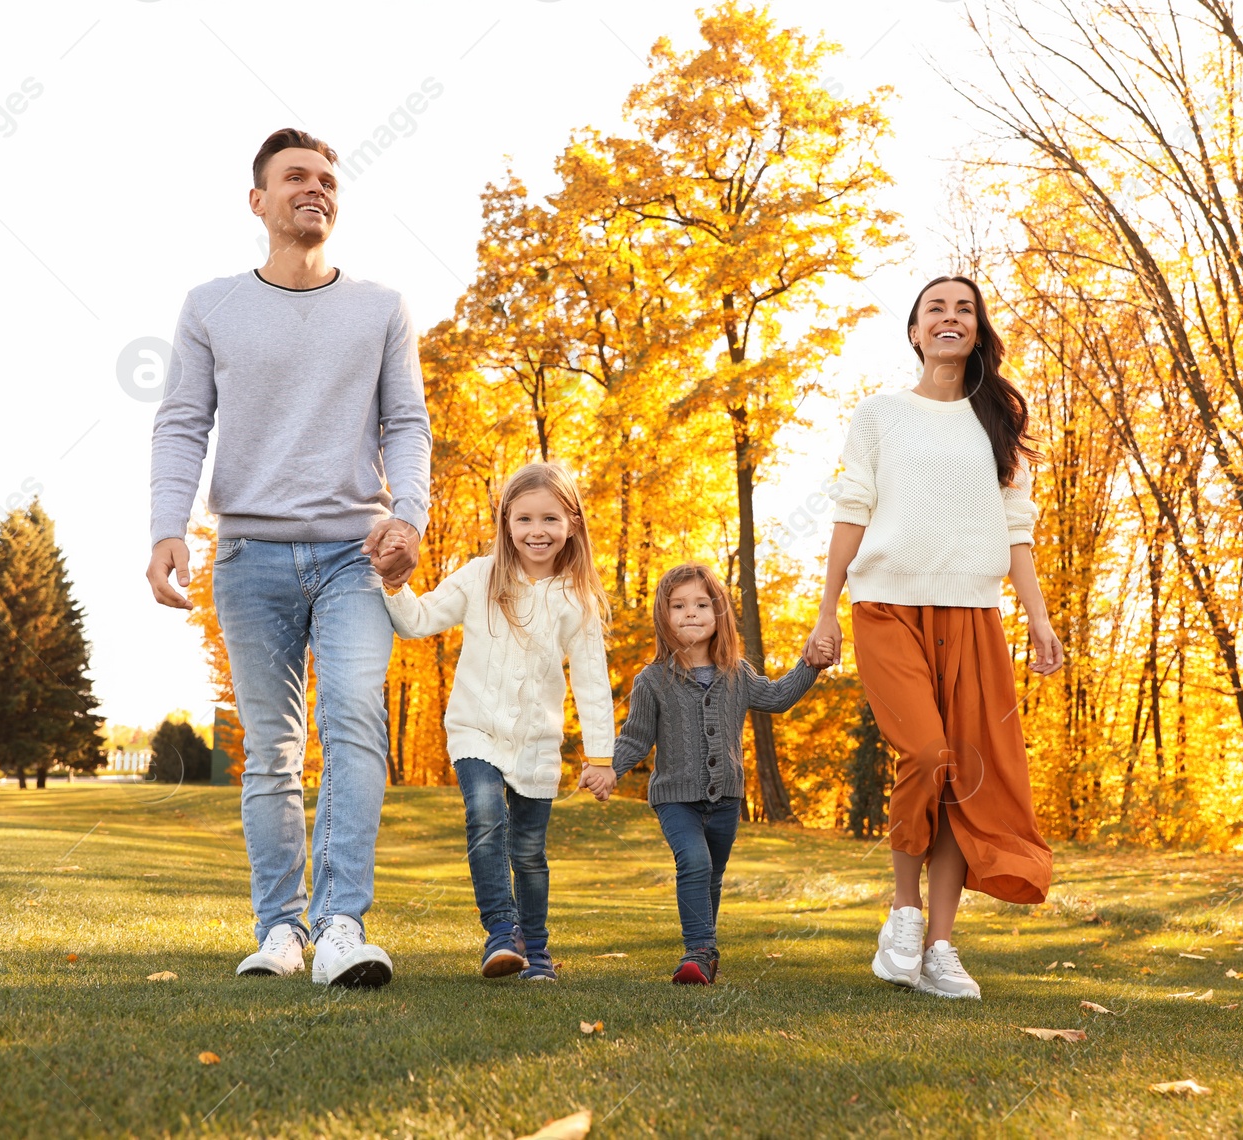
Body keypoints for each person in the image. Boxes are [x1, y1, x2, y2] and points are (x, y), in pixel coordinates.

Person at [147, 128, 431, 987]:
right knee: (270, 749)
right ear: (259, 201)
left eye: (327, 179)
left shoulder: (381, 306)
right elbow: (182, 421)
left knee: (353, 723)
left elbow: (407, 423)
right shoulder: (210, 305)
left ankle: (342, 924)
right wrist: (168, 525)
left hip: (354, 554)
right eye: (296, 177)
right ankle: (280, 931)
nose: (316, 189)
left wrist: (408, 517)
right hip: (249, 558)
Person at [805, 275, 1063, 1001]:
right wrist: (826, 610)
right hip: (887, 605)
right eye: (935, 310)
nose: (950, 319)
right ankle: (904, 915)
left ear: (977, 330)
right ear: (916, 333)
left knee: (963, 779)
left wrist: (1037, 617)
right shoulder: (881, 414)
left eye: (964, 310)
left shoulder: (1000, 417)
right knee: (925, 753)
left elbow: (1018, 530)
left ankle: (941, 949)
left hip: (973, 614)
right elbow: (853, 510)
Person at [376, 463, 613, 982]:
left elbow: (592, 682)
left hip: (536, 743)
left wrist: (601, 757)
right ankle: (501, 933)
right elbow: (419, 622)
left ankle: (538, 952)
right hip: (474, 729)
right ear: (506, 521)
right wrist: (394, 585)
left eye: (550, 518)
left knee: (529, 851)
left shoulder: (578, 598)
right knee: (485, 814)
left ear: (572, 523)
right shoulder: (480, 575)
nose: (537, 531)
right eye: (524, 518)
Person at [579, 563, 832, 984]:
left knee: (711, 874)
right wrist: (608, 769)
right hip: (676, 798)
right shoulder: (652, 681)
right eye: (678, 606)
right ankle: (695, 951)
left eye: (700, 605)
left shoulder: (738, 674)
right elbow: (635, 739)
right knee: (693, 863)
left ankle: (706, 953)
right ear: (664, 617)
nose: (690, 613)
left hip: (727, 799)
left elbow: (780, 696)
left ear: (719, 616)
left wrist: (811, 664)